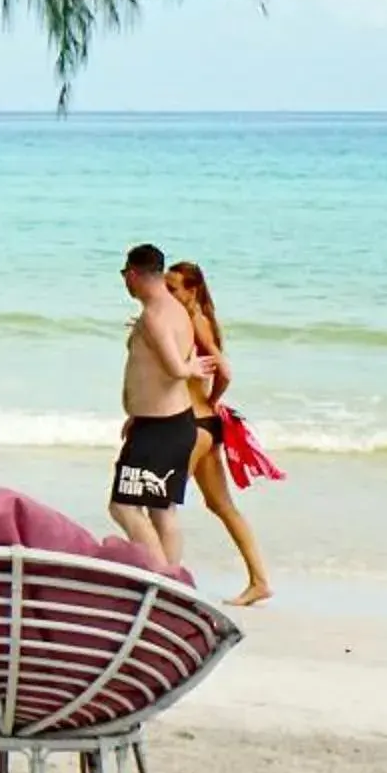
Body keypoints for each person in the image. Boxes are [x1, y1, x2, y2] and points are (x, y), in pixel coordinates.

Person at [168, 260, 272, 607]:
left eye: (174, 289)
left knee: (160, 501)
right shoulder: (188, 319)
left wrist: (213, 398)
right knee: (220, 504)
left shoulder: (197, 321)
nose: (168, 295)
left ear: (192, 290)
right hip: (205, 426)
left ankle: (163, 580)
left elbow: (223, 369)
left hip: (196, 425)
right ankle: (260, 581)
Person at [110, 243, 211, 569]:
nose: (125, 281)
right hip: (168, 424)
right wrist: (137, 417)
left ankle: (157, 578)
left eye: (125, 274)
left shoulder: (154, 316)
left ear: (135, 274)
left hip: (160, 428)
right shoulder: (173, 309)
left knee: (123, 507)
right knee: (161, 508)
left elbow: (173, 367)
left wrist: (190, 369)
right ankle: (169, 583)